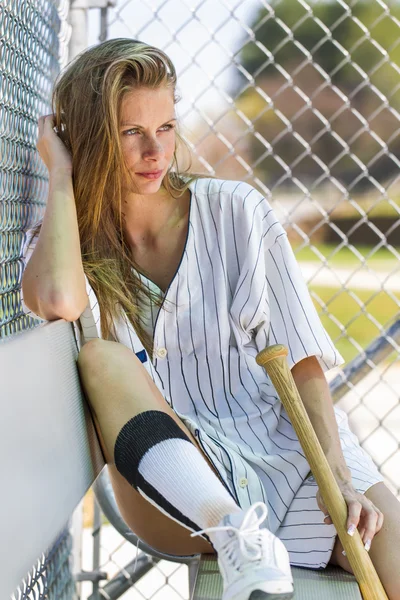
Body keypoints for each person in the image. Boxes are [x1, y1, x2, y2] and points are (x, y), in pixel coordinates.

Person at [21, 38, 400, 600]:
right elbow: (56, 298)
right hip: (174, 483)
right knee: (103, 356)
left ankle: (259, 540)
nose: (157, 151)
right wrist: (59, 175)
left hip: (290, 451)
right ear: (90, 139)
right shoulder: (70, 238)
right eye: (131, 133)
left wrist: (339, 481)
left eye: (167, 128)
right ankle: (238, 536)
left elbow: (302, 357)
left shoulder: (236, 209)